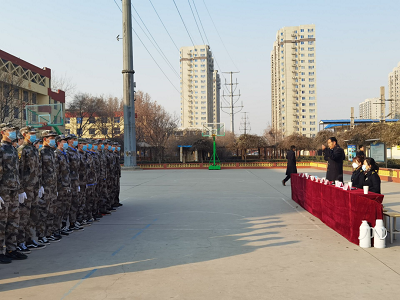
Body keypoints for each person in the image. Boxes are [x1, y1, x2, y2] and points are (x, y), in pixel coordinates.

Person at [0, 123, 28, 263]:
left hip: (14, 190)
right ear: (3, 132)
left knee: (13, 221)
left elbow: (17, 172)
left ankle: (11, 249)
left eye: (13, 131)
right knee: (2, 222)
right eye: (10, 131)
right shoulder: (1, 149)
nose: (12, 133)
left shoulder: (12, 148)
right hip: (4, 191)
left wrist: (20, 190)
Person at [17, 127, 46, 253]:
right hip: (26, 188)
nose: (34, 136)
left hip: (34, 187)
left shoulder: (34, 149)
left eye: (35, 134)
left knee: (33, 215)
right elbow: (19, 171)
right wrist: (21, 189)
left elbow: (37, 170)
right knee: (23, 216)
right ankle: (20, 242)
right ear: (24, 135)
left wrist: (39, 185)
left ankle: (30, 239)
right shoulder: (22, 150)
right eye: (31, 134)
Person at [39, 130, 60, 243]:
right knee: (44, 211)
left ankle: (49, 232)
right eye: (50, 138)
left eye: (53, 138)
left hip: (52, 186)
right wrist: (40, 186)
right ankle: (42, 235)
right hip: (45, 186)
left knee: (52, 210)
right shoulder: (41, 152)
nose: (53, 140)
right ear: (45, 139)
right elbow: (38, 170)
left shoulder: (52, 152)